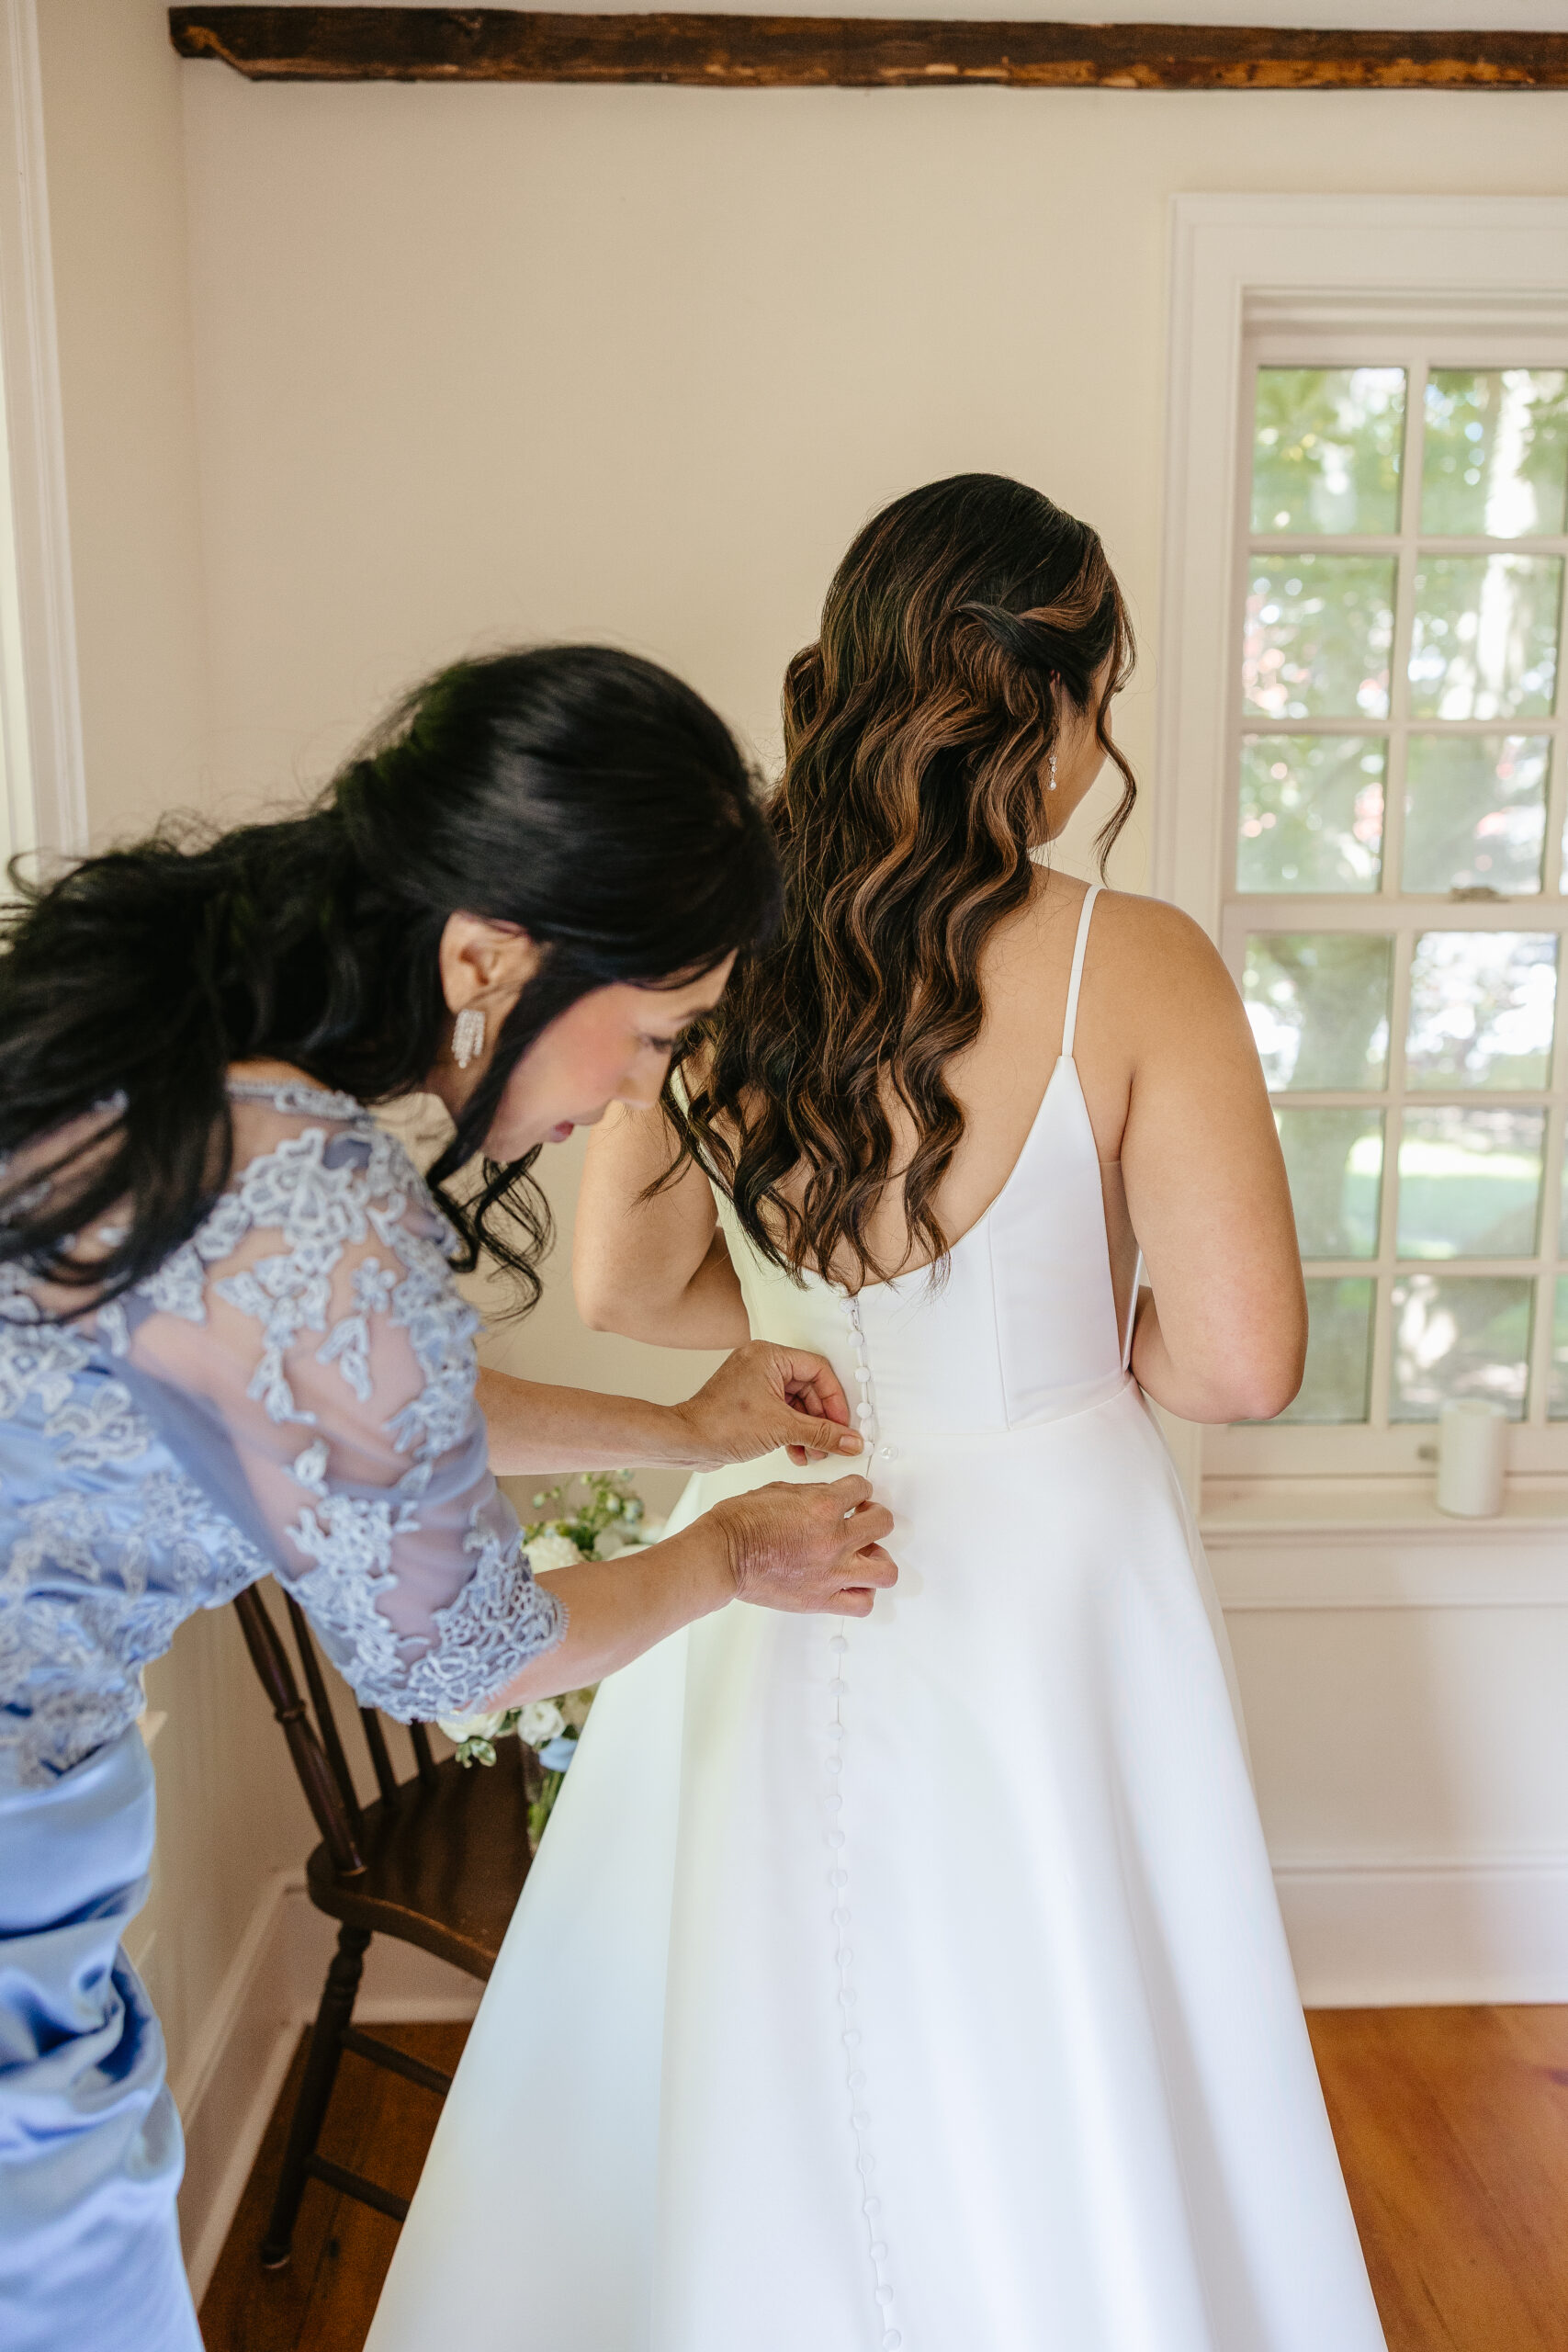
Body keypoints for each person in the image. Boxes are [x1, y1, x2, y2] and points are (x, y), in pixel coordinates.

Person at [369, 478, 1388, 2352]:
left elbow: (626, 1290)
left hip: (777, 1522)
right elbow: (1236, 1366)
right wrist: (1068, 1336)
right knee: (1055, 2005)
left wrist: (808, 1324)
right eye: (1103, 692)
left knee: (756, 2005)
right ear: (1051, 705)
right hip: (1051, 1558)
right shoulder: (1137, 961)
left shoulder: (730, 942)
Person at [0, 645, 897, 2352]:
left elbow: (323, 1404)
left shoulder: (178, 1038)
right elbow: (463, 1657)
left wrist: (679, 1429)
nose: (638, 1089)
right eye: (651, 1034)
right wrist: (725, 1556)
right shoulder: (318, 1197)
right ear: (490, 953)